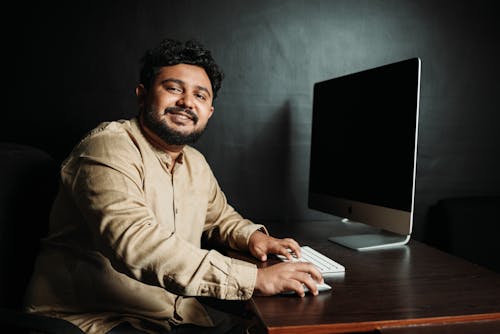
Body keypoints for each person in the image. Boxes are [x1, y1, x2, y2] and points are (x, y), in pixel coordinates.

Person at [23, 38, 323, 334]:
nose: (187, 102)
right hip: (96, 320)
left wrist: (252, 237)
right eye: (174, 88)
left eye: (200, 96)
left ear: (209, 112)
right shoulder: (107, 148)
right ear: (142, 95)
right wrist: (255, 280)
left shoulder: (194, 162)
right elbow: (137, 244)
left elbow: (219, 217)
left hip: (171, 314)